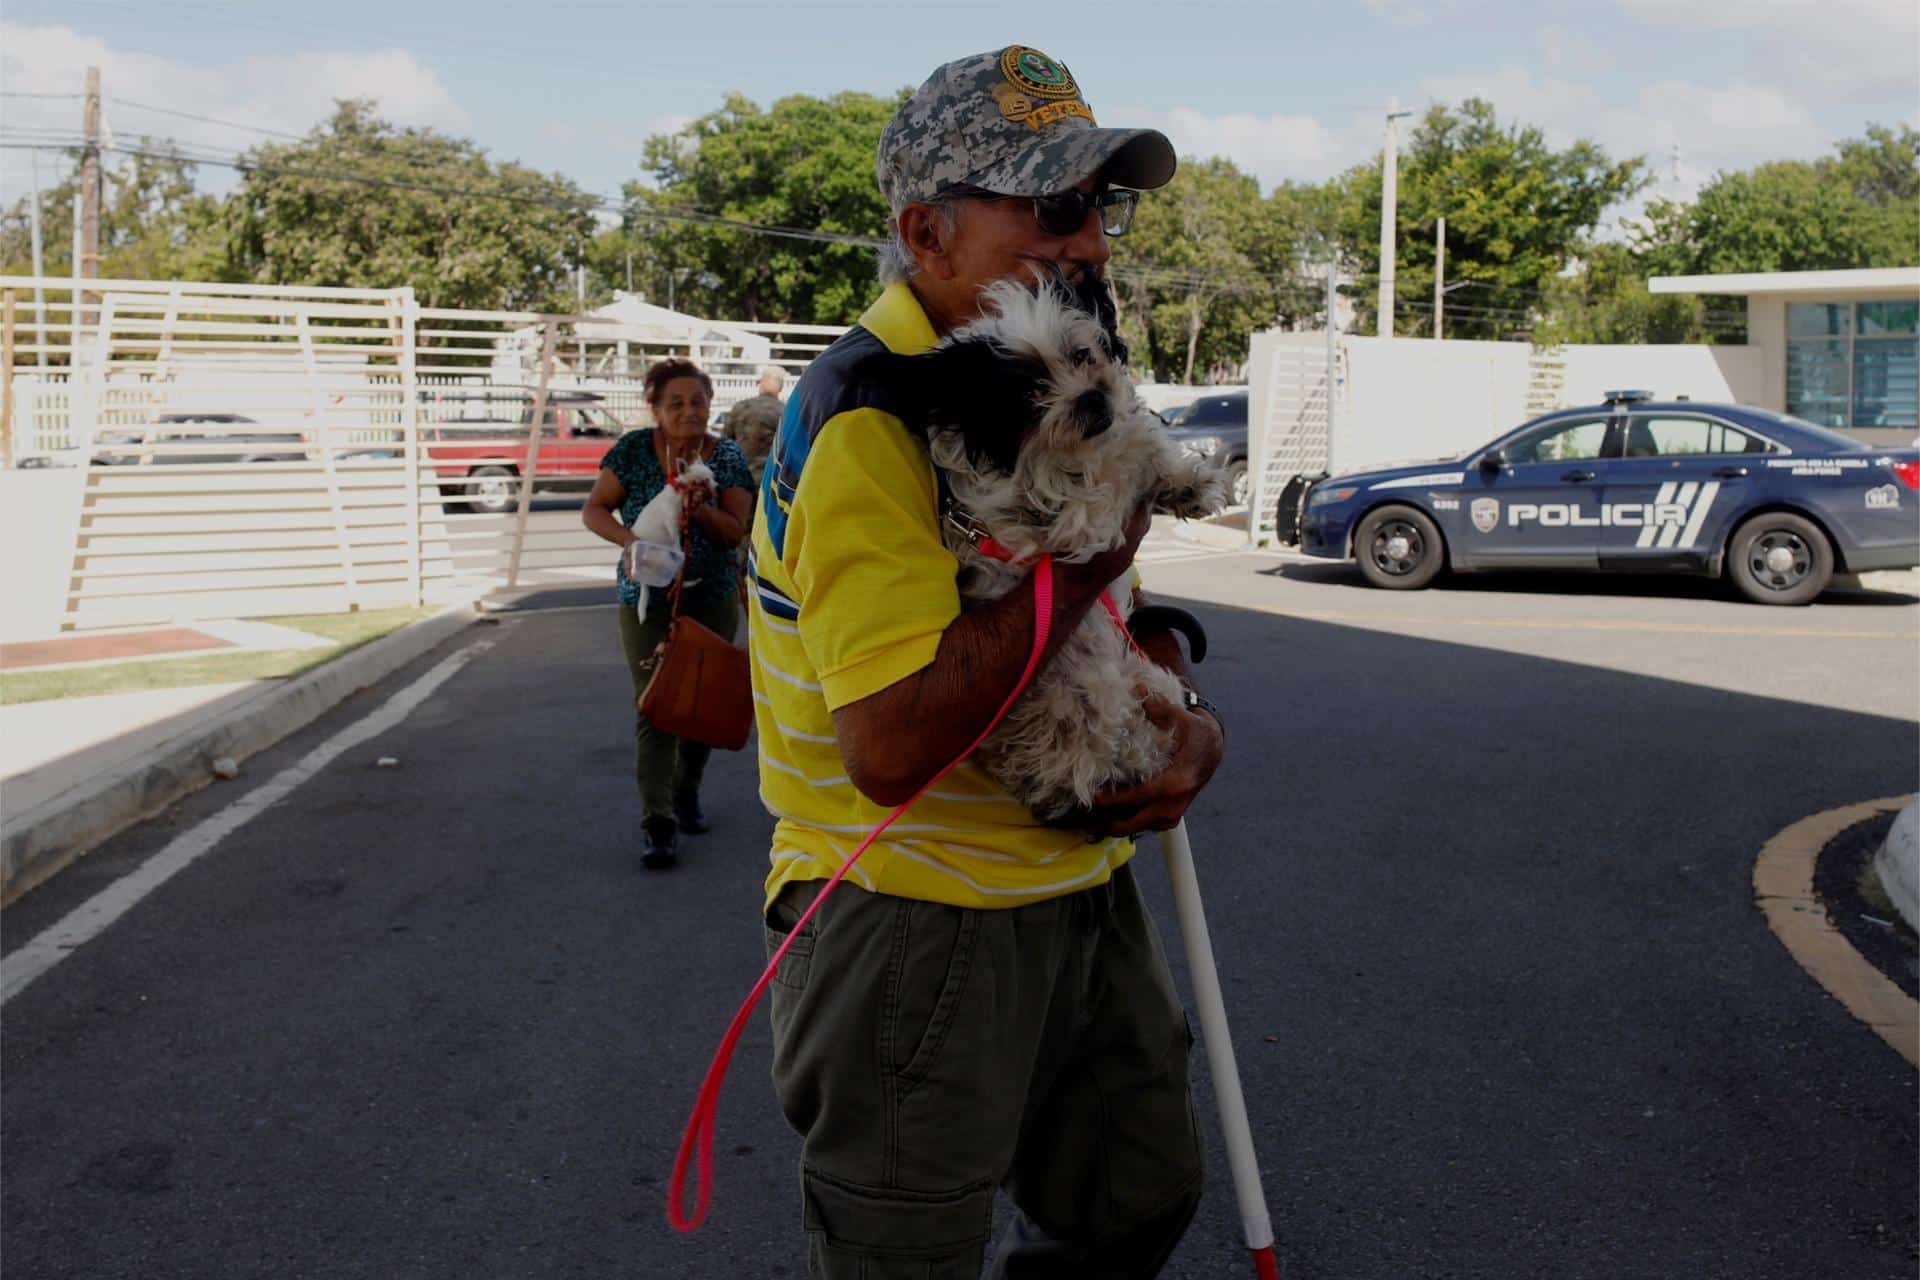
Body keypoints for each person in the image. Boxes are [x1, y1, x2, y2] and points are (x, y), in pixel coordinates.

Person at [747, 46, 1224, 1278]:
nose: (1097, 246)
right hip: (913, 915)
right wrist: (1084, 557)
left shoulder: (1048, 363)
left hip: (1078, 881)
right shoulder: (873, 414)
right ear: (926, 231)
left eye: (1103, 210)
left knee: (1137, 1198)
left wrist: (1186, 711)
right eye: (1058, 209)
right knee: (907, 1254)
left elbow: (1115, 609)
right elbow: (892, 743)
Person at [584, 357, 754, 869]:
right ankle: (657, 821)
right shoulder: (634, 451)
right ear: (655, 409)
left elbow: (734, 531)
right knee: (654, 705)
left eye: (698, 401)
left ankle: (686, 792)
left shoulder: (725, 456)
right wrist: (630, 542)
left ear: (710, 404)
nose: (689, 412)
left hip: (711, 594)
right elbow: (595, 509)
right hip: (646, 601)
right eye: (675, 403)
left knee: (701, 706)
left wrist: (698, 505)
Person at [721, 365, 786, 487]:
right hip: (770, 483)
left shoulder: (741, 408)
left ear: (761, 384)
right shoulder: (786, 413)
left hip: (740, 482)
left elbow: (724, 444)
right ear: (780, 387)